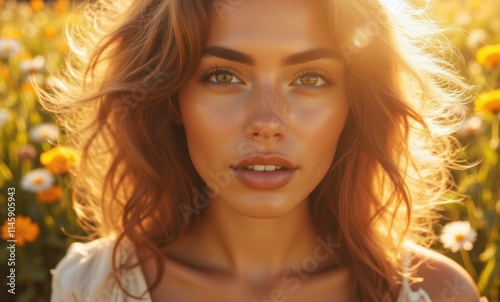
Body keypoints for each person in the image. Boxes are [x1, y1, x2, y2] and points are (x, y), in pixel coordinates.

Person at [43, 0, 483, 301]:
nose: (268, 123)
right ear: (170, 97)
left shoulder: (436, 291)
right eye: (222, 76)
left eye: (310, 78)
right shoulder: (89, 285)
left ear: (355, 103)